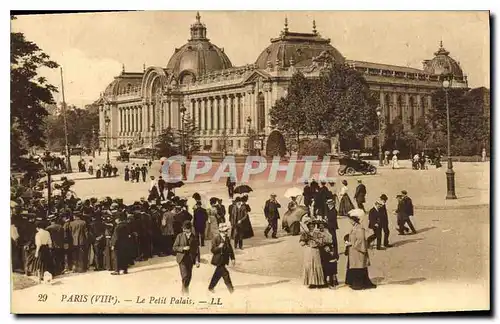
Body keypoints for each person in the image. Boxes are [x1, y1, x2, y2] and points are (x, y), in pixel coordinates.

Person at [345, 213, 376, 290]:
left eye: (350, 219)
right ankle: (357, 283)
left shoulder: (359, 228)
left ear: (354, 219)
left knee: (359, 267)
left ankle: (359, 284)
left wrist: (351, 244)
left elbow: (361, 240)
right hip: (354, 251)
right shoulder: (355, 227)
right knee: (356, 266)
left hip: (358, 251)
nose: (349, 221)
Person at [173, 221, 200, 294]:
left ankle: (184, 289)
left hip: (190, 259)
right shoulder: (179, 236)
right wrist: (183, 248)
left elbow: (197, 250)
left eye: (185, 229)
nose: (184, 230)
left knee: (189, 276)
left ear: (190, 229)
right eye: (183, 229)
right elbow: (174, 247)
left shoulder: (194, 237)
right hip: (182, 259)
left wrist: (197, 261)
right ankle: (185, 292)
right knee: (184, 276)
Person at [208, 223, 235, 293]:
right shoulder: (216, 238)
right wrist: (219, 247)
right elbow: (213, 250)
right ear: (221, 231)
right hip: (218, 260)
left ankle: (211, 287)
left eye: (227, 230)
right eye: (225, 231)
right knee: (226, 274)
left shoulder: (227, 238)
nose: (227, 232)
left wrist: (232, 258)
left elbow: (230, 249)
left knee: (217, 274)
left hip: (224, 260)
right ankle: (231, 290)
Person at [299, 220, 325, 288]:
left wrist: (315, 239)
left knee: (316, 265)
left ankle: (318, 282)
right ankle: (311, 282)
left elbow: (322, 243)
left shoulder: (318, 233)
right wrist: (305, 240)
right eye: (309, 226)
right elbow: (301, 244)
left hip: (316, 250)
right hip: (308, 251)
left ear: (314, 226)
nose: (311, 228)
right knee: (309, 265)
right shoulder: (305, 234)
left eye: (312, 226)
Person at [317, 221, 338, 289]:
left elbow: (331, 241)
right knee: (323, 265)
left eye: (322, 225)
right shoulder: (317, 233)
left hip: (328, 250)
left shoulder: (328, 232)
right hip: (321, 250)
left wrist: (330, 249)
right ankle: (324, 280)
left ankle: (332, 280)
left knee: (330, 265)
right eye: (319, 225)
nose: (321, 227)